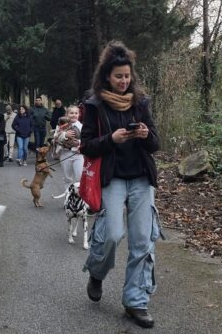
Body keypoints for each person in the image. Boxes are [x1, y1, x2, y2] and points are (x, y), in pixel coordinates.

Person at [80, 41, 161, 329]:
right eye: (118, 77)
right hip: (112, 179)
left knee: (142, 241)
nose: (124, 81)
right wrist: (110, 140)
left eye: (127, 76)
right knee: (113, 235)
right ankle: (97, 272)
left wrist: (144, 133)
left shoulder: (140, 103)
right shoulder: (93, 106)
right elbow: (86, 146)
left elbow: (156, 143)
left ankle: (135, 302)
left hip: (141, 178)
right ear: (107, 77)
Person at [53, 105, 83, 191]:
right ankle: (68, 198)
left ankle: (79, 199)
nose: (74, 115)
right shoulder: (60, 125)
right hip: (65, 154)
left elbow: (87, 139)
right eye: (71, 113)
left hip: (78, 155)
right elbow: (55, 138)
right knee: (67, 178)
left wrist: (79, 143)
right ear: (67, 114)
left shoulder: (81, 126)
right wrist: (65, 135)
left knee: (79, 177)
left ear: (79, 114)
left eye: (76, 113)